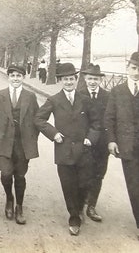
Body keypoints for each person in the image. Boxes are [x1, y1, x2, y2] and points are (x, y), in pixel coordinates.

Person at [34, 63, 100, 236]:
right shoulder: (54, 100)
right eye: (65, 79)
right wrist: (54, 133)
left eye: (71, 79)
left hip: (84, 149)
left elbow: (96, 123)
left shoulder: (85, 99)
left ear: (76, 80)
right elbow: (39, 119)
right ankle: (74, 217)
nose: (69, 82)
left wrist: (90, 139)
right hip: (63, 150)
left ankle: (79, 208)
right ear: (60, 81)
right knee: (68, 186)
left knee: (84, 183)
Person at [0, 65, 39, 225]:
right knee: (6, 173)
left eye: (19, 76)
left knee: (20, 175)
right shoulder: (0, 95)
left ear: (23, 78)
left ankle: (19, 207)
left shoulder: (30, 96)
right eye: (13, 75)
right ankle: (9, 198)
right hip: (3, 142)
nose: (16, 78)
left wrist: (32, 139)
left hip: (22, 144)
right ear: (8, 77)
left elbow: (38, 120)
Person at [104, 51, 139, 240]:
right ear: (127, 68)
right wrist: (111, 140)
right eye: (134, 68)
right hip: (128, 148)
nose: (136, 73)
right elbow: (109, 118)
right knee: (134, 186)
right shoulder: (117, 91)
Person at [79, 63, 110, 222]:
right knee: (83, 175)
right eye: (90, 78)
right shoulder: (78, 94)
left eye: (96, 79)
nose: (92, 82)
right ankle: (79, 207)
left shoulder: (107, 96)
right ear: (85, 78)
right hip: (84, 143)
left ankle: (91, 206)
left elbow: (111, 120)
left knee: (98, 175)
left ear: (100, 80)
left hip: (102, 144)